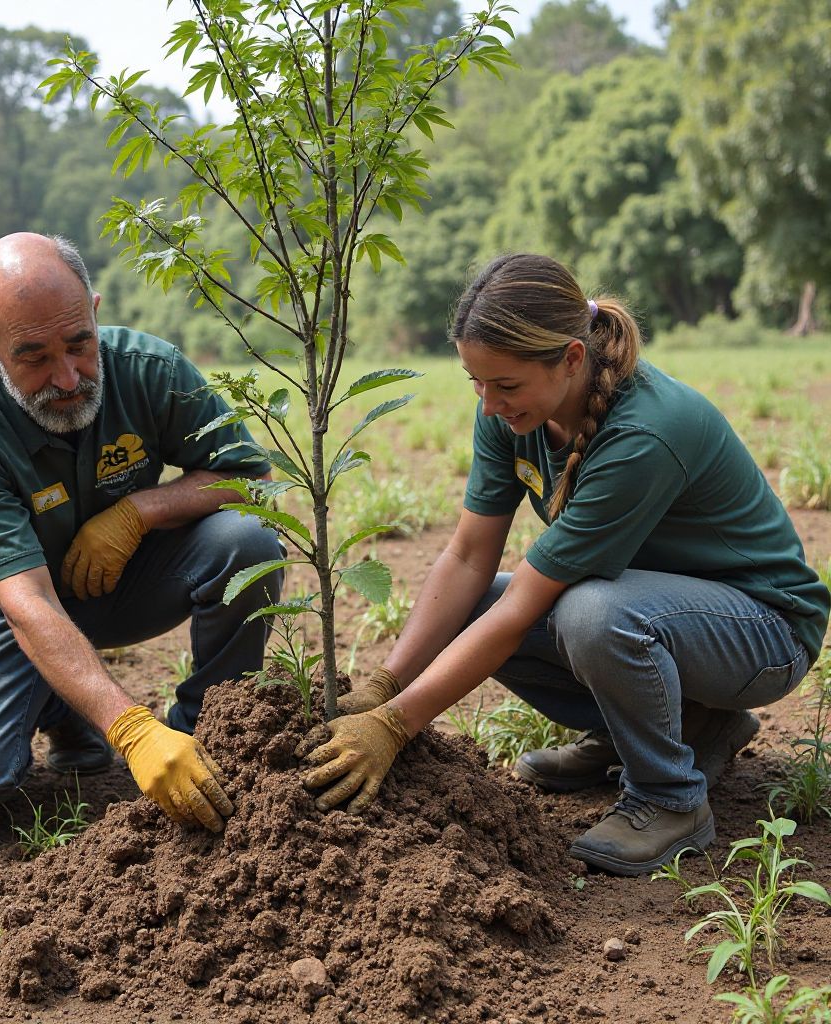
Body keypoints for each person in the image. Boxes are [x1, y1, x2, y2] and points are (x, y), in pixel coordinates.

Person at [298, 253, 830, 875]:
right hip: (664, 616)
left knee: (589, 612)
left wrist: (395, 726)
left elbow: (527, 602)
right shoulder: (511, 413)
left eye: (506, 385)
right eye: (476, 383)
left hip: (762, 632)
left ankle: (669, 798)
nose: (489, 404)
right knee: (472, 609)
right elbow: (467, 557)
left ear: (572, 358)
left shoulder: (644, 432)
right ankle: (683, 730)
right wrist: (386, 685)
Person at [0, 232, 283, 832]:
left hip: (119, 583)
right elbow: (27, 602)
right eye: (33, 357)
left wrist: (140, 511)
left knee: (249, 539)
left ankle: (209, 736)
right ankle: (63, 705)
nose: (66, 378)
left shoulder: (151, 370)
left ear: (95, 313)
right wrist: (131, 730)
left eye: (79, 344)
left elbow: (254, 479)